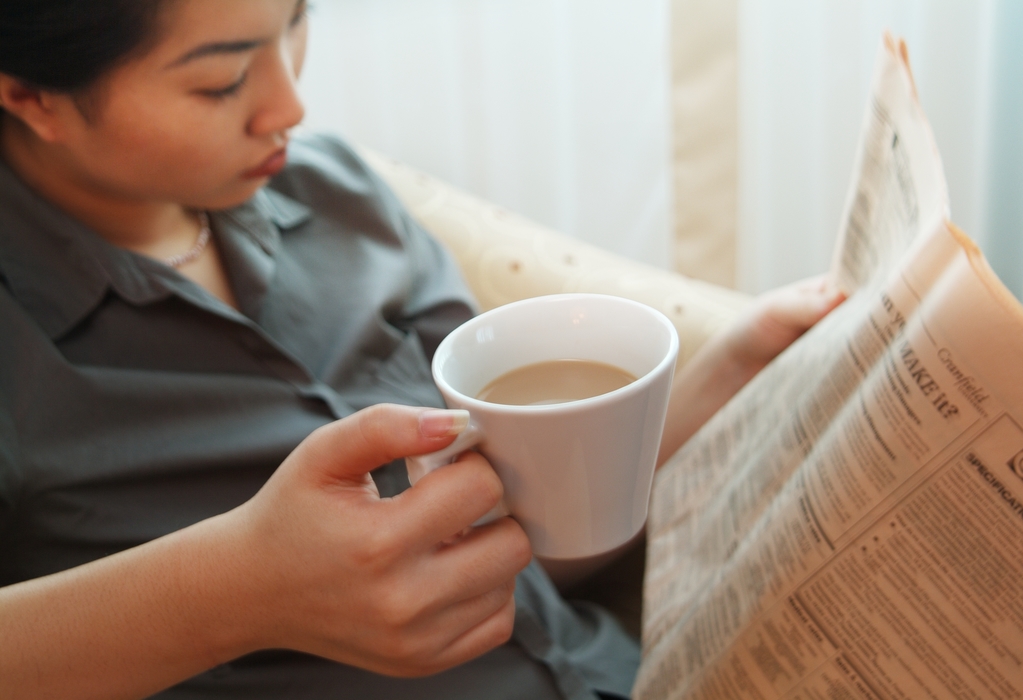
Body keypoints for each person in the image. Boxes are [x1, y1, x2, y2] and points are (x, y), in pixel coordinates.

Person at [0, 1, 844, 698]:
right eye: (220, 81)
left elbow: (525, 524)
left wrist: (738, 361)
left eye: (295, 22)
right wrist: (238, 591)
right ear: (31, 97)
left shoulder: (343, 196)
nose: (289, 106)